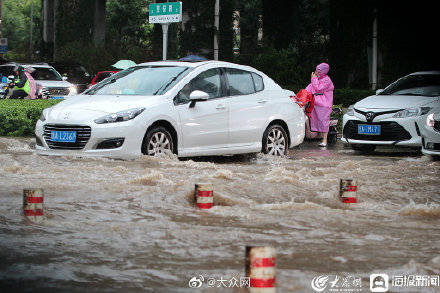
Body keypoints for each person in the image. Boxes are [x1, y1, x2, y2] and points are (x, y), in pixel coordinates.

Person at [305, 63, 334, 147]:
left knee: (323, 121)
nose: (317, 71)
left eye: (319, 70)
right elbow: (310, 88)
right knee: (314, 119)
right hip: (316, 103)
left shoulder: (327, 80)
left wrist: (313, 78)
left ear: (324, 71)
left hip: (324, 104)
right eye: (317, 69)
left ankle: (325, 140)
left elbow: (318, 88)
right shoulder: (318, 79)